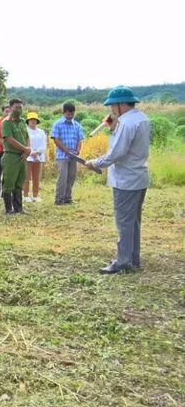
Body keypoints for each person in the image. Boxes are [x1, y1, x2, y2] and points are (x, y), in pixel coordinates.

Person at [85, 86, 151, 274]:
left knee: (124, 222)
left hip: (126, 179)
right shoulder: (141, 118)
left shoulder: (127, 123)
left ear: (122, 104)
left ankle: (123, 262)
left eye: (112, 105)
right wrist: (113, 127)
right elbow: (124, 145)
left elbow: (117, 152)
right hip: (138, 176)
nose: (111, 110)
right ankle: (132, 258)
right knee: (133, 221)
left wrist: (95, 163)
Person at [0, 99, 30, 214]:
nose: (18, 110)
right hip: (11, 156)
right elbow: (9, 139)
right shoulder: (6, 122)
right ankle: (9, 209)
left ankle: (19, 208)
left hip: (22, 157)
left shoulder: (22, 122)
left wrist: (27, 151)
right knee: (9, 183)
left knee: (19, 182)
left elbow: (27, 137)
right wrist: (25, 149)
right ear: (10, 108)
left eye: (20, 107)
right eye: (16, 107)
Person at [52, 103, 85, 205]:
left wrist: (78, 149)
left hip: (74, 156)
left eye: (72, 114)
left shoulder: (77, 125)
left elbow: (80, 139)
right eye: (68, 114)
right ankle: (59, 199)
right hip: (62, 155)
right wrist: (65, 149)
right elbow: (56, 139)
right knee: (63, 176)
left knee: (72, 176)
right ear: (64, 112)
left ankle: (68, 198)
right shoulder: (58, 124)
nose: (70, 116)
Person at [23, 112, 47, 202]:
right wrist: (32, 153)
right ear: (28, 121)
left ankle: (35, 195)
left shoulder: (41, 132)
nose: (33, 122)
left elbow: (43, 145)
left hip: (39, 157)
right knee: (27, 177)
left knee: (36, 177)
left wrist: (37, 153)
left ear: (37, 121)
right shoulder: (25, 131)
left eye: (34, 120)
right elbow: (25, 144)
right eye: (31, 120)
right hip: (28, 156)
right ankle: (25, 195)